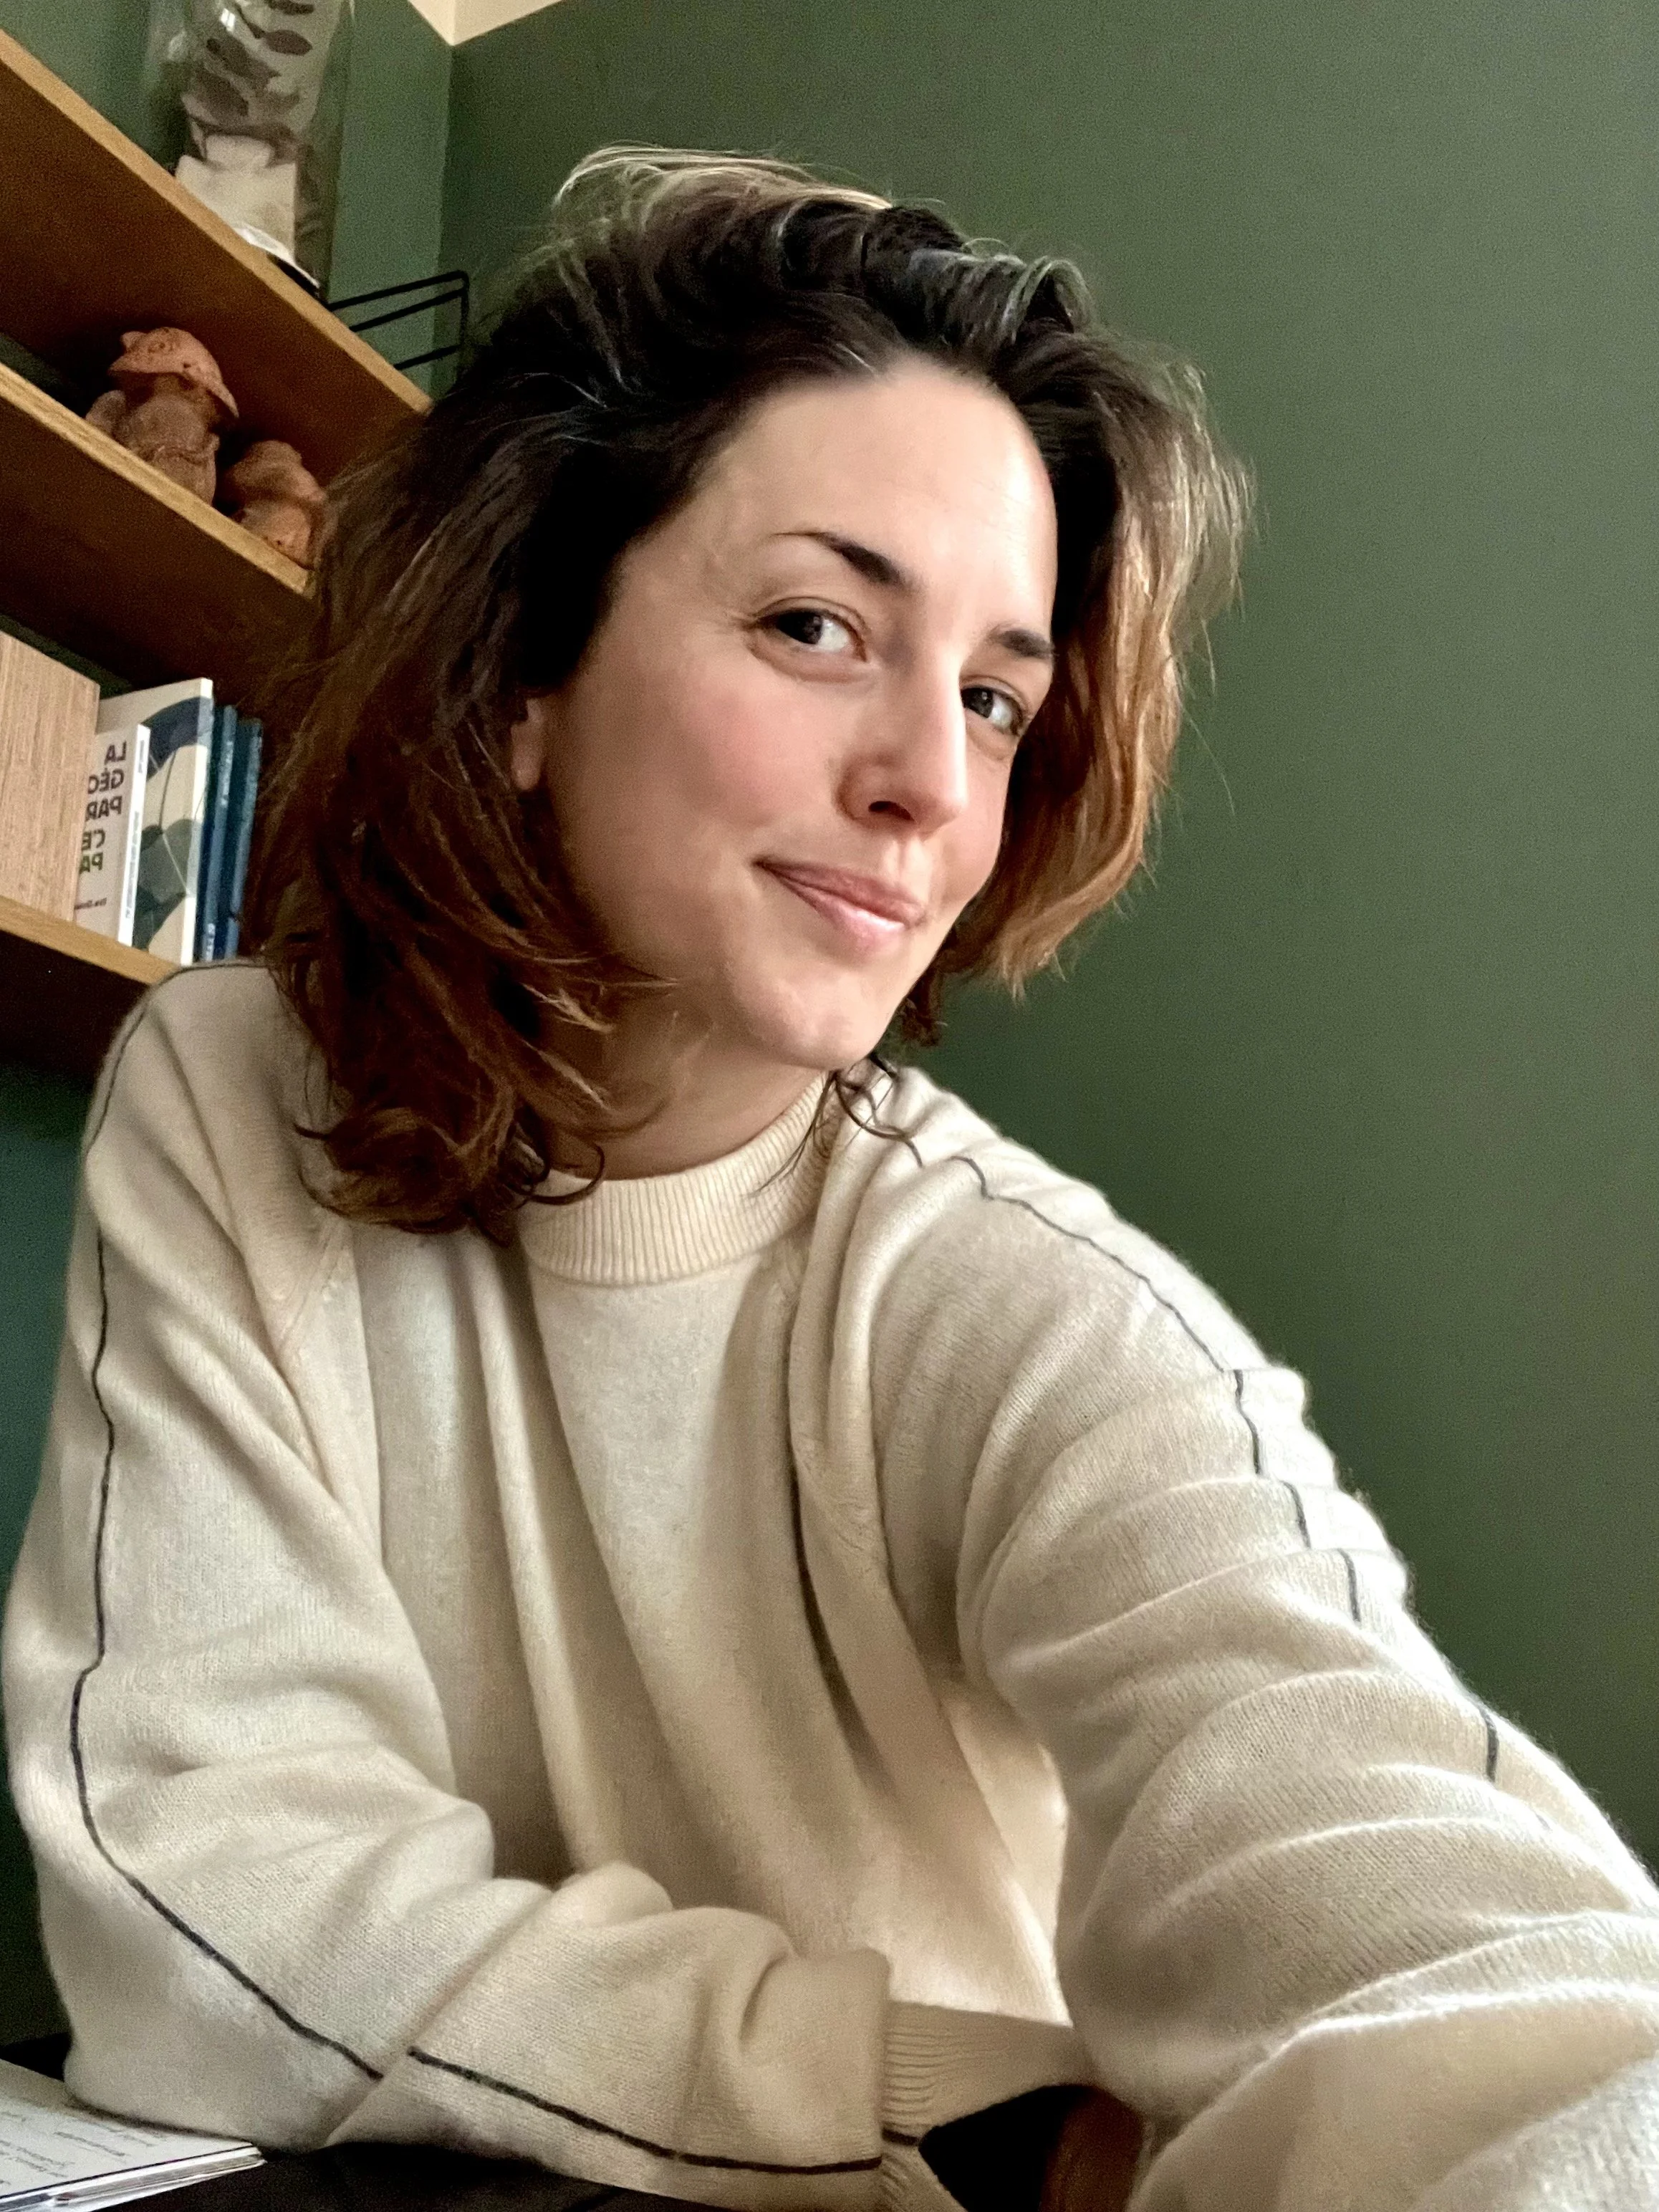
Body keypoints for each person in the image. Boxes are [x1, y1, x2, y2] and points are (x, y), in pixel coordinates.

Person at [6, 147, 1659, 2212]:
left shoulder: (1034, 1314)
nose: (930, 781)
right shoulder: (231, 1088)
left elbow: (1466, 1966)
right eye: (813, 625)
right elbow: (199, 1906)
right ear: (522, 671)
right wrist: (936, 2098)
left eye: (992, 693)